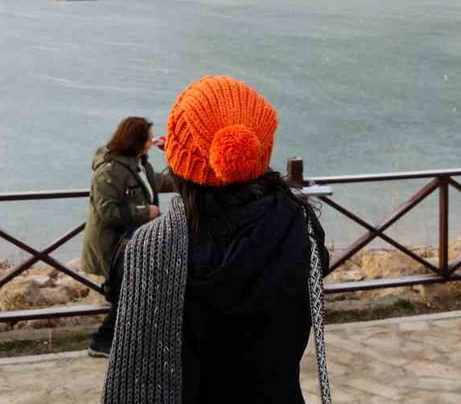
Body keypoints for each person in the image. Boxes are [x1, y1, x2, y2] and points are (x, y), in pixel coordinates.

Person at [101, 75, 332, 404]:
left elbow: (115, 293)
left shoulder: (148, 249)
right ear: (260, 152)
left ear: (179, 164)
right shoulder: (302, 229)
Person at [82, 116, 161, 358]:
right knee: (124, 294)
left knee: (130, 292)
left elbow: (153, 184)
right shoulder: (109, 170)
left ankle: (118, 342)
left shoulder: (139, 163)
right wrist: (145, 212)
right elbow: (106, 211)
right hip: (113, 246)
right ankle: (101, 343)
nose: (152, 141)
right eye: (148, 138)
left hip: (133, 243)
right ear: (136, 141)